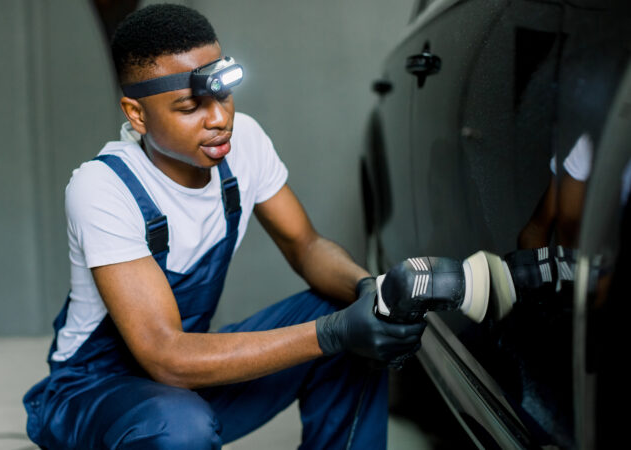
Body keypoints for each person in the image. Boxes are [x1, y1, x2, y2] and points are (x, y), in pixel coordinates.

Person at [23, 4, 426, 449]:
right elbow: (164, 355)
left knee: (348, 314)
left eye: (224, 96)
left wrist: (367, 290)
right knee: (179, 427)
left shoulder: (245, 142)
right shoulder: (103, 187)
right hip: (94, 393)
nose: (219, 119)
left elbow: (306, 245)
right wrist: (331, 333)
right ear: (137, 115)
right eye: (191, 106)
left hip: (183, 377)